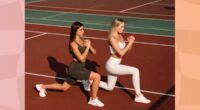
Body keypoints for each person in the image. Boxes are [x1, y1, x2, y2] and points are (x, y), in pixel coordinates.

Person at [35, 21, 104, 107]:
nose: (83, 31)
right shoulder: (73, 43)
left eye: (83, 29)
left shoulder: (82, 40)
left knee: (63, 87)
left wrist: (89, 45)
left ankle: (42, 87)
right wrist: (87, 48)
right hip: (75, 69)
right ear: (76, 31)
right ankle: (93, 99)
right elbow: (82, 59)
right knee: (97, 76)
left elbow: (94, 52)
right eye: (81, 29)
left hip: (78, 68)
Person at [99, 18, 151, 104]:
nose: (123, 28)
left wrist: (130, 42)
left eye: (124, 27)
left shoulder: (120, 36)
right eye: (122, 27)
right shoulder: (112, 37)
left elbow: (128, 51)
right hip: (112, 65)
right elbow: (121, 53)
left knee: (109, 87)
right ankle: (138, 96)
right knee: (135, 71)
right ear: (116, 26)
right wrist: (130, 43)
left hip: (116, 63)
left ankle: (90, 81)